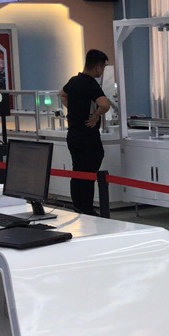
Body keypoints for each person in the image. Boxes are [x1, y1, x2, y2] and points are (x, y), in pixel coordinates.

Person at [60, 49, 112, 215]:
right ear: (97, 67)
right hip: (88, 136)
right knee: (89, 173)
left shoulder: (73, 81)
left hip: (73, 135)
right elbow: (105, 105)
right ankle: (87, 209)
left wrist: (73, 109)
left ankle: (78, 206)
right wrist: (95, 115)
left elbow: (62, 94)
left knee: (77, 170)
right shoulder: (91, 84)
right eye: (103, 67)